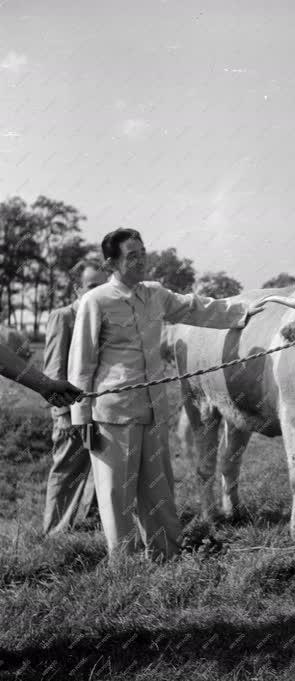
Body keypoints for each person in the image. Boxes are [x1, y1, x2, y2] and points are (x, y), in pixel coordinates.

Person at [68, 229, 265, 562]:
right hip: (113, 412)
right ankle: (124, 562)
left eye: (143, 252)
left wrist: (243, 312)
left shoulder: (155, 295)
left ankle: (167, 554)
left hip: (154, 408)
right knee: (117, 492)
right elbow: (81, 363)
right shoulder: (96, 301)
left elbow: (195, 308)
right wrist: (80, 416)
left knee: (159, 488)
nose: (142, 259)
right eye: (132, 255)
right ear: (111, 263)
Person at [42, 258, 108, 535]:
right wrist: (63, 415)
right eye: (91, 286)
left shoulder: (106, 319)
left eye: (102, 287)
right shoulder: (64, 316)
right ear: (76, 290)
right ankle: (55, 531)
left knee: (101, 469)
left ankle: (93, 520)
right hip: (72, 413)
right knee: (67, 471)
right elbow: (53, 371)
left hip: (102, 410)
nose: (96, 293)